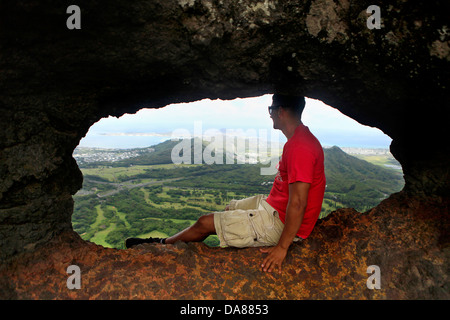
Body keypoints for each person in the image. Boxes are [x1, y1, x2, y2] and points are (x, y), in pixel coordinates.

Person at [125, 94, 326, 273]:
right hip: (274, 206)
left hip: (277, 222)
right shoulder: (300, 139)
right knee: (230, 206)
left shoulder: (300, 147)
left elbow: (298, 203)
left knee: (204, 223)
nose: (270, 114)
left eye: (270, 109)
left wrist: (282, 248)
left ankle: (161, 244)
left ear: (280, 111)